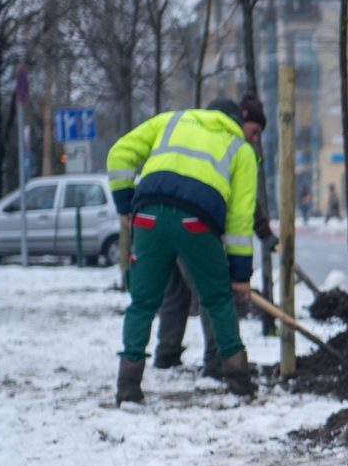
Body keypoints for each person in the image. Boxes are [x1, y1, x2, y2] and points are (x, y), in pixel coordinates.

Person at [108, 98, 259, 404]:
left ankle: (128, 387)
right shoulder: (240, 149)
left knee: (142, 303)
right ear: (236, 122)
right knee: (218, 299)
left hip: (148, 215)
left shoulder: (171, 120)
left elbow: (119, 153)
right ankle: (239, 381)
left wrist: (126, 205)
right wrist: (241, 275)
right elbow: (241, 219)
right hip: (197, 223)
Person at [152, 95, 278, 377]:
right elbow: (242, 205)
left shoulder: (194, 130)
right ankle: (216, 361)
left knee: (177, 293)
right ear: (241, 119)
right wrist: (264, 235)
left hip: (160, 220)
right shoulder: (229, 145)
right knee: (212, 292)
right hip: (192, 226)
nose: (255, 139)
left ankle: (166, 354)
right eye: (254, 131)